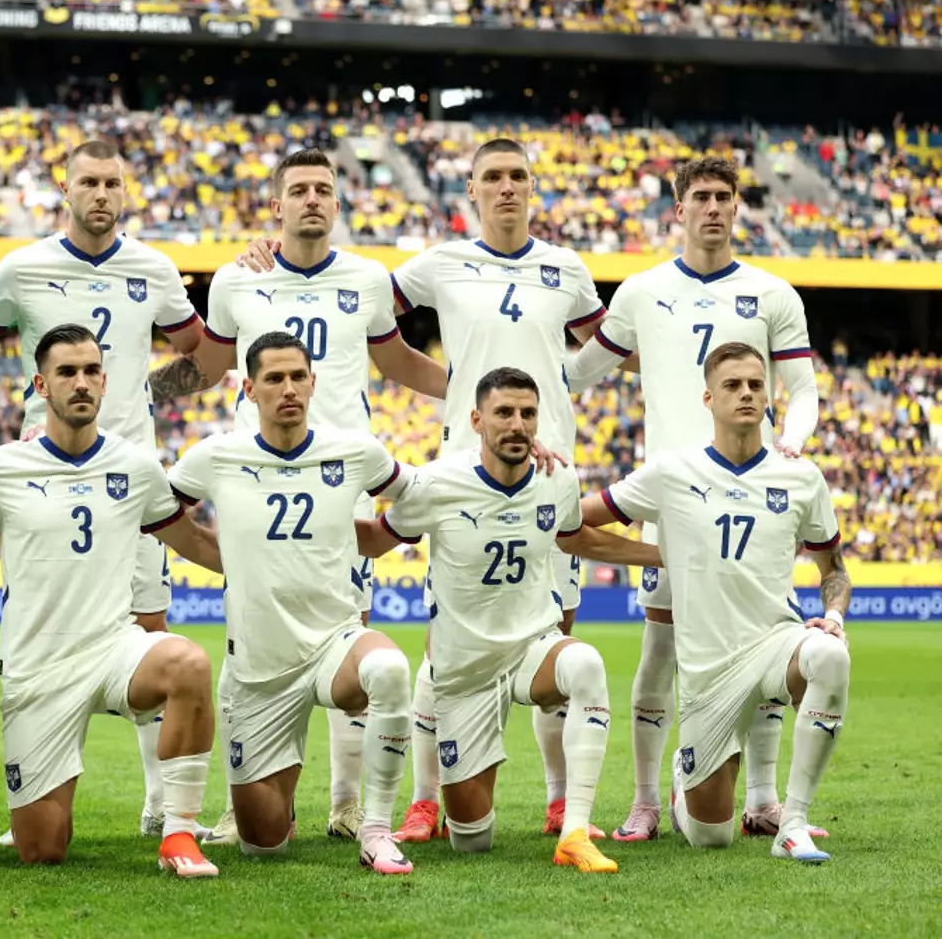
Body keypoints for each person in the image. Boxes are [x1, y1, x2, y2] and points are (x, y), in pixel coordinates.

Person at [145, 147, 448, 845]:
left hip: (343, 477)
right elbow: (212, 368)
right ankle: (240, 798)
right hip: (261, 475)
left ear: (337, 203)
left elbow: (397, 361)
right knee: (247, 627)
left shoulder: (368, 279)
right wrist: (142, 390)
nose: (312, 199)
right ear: (275, 204)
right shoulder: (235, 282)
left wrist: (468, 390)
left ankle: (347, 803)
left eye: (324, 189)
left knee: (352, 623)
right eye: (299, 190)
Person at [0, 139, 208, 842]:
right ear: (65, 189)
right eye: (89, 182)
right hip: (45, 486)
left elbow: (208, 356)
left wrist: (150, 393)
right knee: (45, 626)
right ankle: (39, 771)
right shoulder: (23, 268)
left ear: (126, 193)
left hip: (130, 482)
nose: (101, 193)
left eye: (113, 183)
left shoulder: (152, 268)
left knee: (150, 628)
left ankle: (160, 805)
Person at [566, 156, 823, 843]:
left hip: (753, 497)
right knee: (659, 651)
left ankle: (765, 798)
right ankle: (647, 798)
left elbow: (803, 391)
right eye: (699, 196)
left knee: (765, 641)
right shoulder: (642, 292)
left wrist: (791, 445)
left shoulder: (773, 294)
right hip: (674, 501)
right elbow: (578, 373)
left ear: (738, 207)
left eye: (723, 196)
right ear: (677, 209)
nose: (712, 207)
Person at [0, 324, 226, 877]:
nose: (81, 382)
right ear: (41, 384)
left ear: (105, 382)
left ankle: (179, 834)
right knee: (43, 848)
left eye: (91, 371)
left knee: (187, 661)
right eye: (67, 372)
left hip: (113, 649)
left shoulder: (135, 466)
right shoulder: (1, 468)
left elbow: (194, 543)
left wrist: (277, 565)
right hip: (35, 669)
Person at [355, 367, 664, 873]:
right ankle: (445, 805)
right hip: (465, 673)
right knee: (472, 841)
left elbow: (576, 538)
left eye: (527, 414)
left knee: (585, 662)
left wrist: (663, 557)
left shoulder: (557, 478)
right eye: (504, 413)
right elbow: (376, 539)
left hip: (532, 650)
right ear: (477, 420)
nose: (517, 424)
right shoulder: (437, 483)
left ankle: (575, 834)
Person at [580, 342, 850, 863]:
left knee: (831, 657)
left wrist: (833, 617)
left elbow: (833, 569)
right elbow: (578, 521)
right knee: (711, 836)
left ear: (770, 397)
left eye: (756, 384)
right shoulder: (671, 472)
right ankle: (686, 785)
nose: (746, 394)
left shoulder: (801, 477)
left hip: (775, 643)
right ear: (708, 398)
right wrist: (662, 556)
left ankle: (791, 823)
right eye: (732, 385)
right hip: (707, 672)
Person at [168, 331, 418, 875]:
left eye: (297, 377)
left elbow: (423, 495)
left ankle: (375, 829)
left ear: (314, 383)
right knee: (264, 845)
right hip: (259, 672)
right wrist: (220, 556)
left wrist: (390, 531)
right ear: (250, 390)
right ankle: (280, 800)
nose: (288, 389)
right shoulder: (215, 456)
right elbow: (154, 508)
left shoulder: (354, 451)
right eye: (274, 379)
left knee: (390, 668)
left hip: (334, 642)